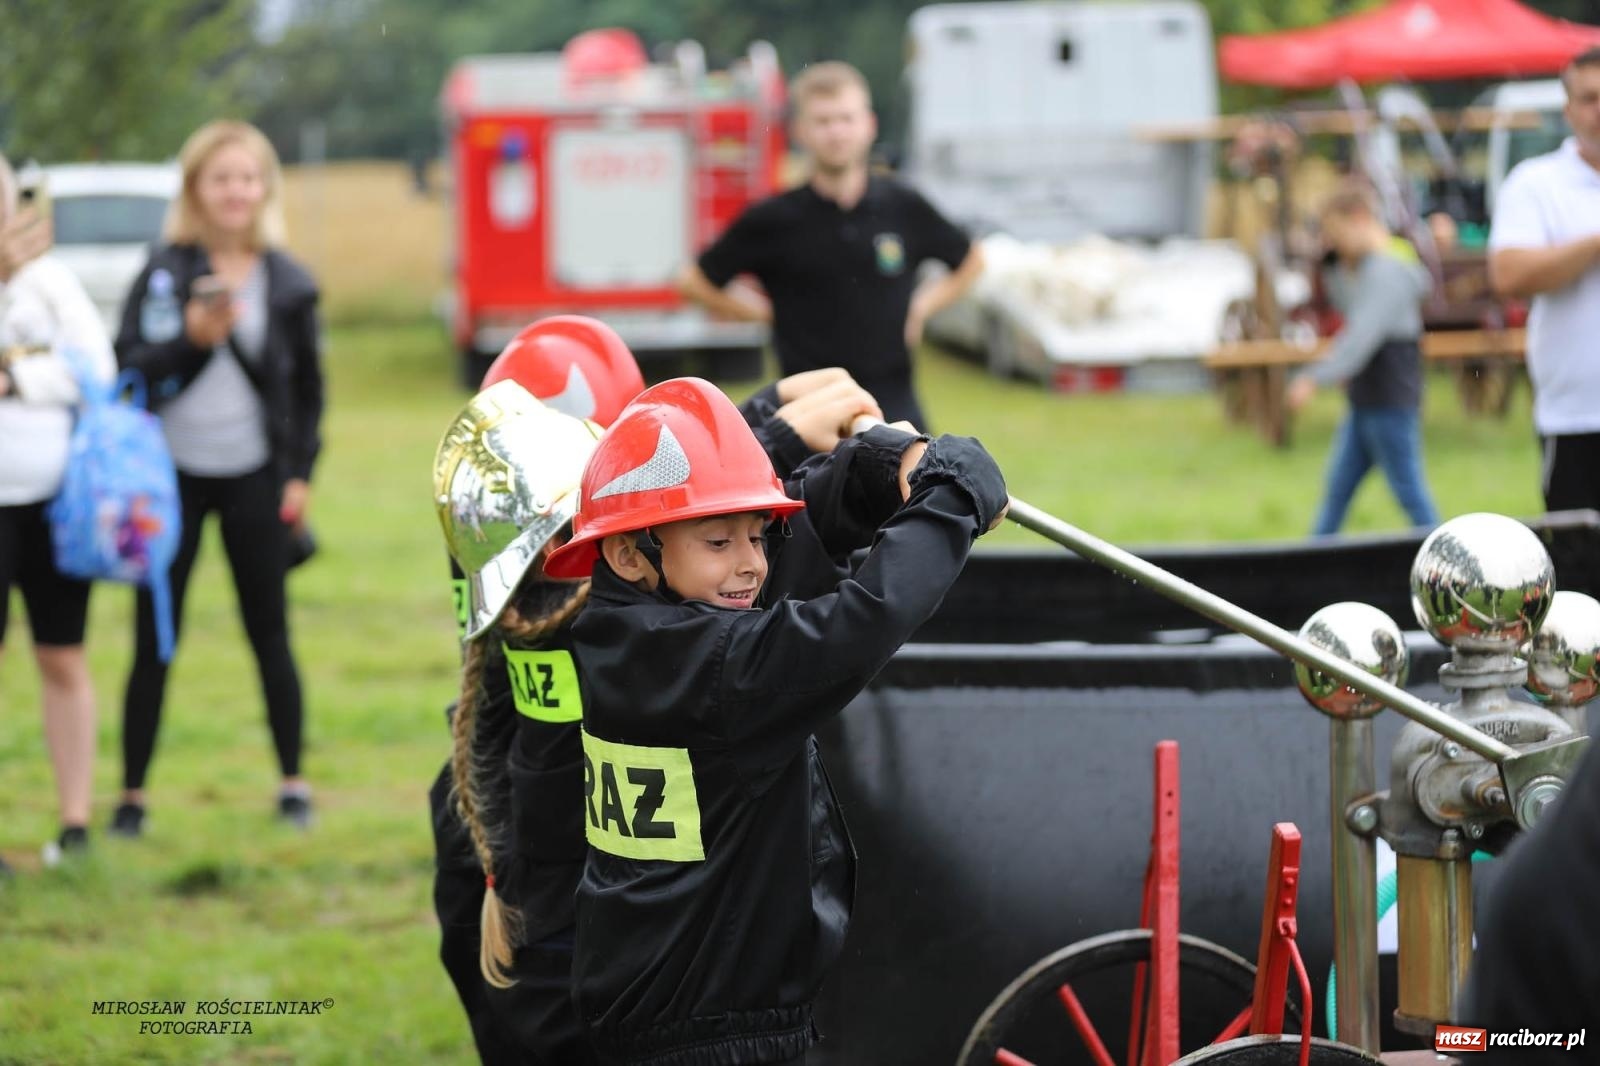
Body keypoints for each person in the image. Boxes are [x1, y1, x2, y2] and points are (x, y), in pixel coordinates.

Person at [428, 316, 883, 1063]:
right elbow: (652, 538)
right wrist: (779, 439)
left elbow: (652, 508)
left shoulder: (490, 504)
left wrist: (758, 413)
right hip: (555, 894)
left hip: (520, 846)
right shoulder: (596, 602)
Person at [542, 377, 1007, 1065]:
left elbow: (780, 538)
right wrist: (951, 498)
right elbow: (860, 623)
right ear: (627, 554)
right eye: (720, 542)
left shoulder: (629, 634)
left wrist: (878, 468)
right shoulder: (717, 667)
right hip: (715, 1033)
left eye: (757, 536)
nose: (751, 564)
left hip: (646, 1008)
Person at [111, 119, 324, 835]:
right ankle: (132, 798)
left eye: (247, 177)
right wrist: (193, 344)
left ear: (264, 186)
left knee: (270, 630)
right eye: (220, 178)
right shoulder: (166, 269)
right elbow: (130, 366)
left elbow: (309, 393)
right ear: (196, 189)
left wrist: (299, 475)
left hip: (256, 478)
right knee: (154, 639)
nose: (236, 191)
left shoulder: (289, 281)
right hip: (168, 481)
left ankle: (293, 785)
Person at [677, 61, 985, 429]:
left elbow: (972, 261)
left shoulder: (903, 205)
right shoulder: (774, 219)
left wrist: (920, 308)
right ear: (800, 131)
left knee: (920, 486)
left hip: (896, 409)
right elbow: (694, 281)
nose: (836, 132)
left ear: (868, 125)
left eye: (846, 118)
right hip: (810, 418)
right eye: (823, 121)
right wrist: (767, 314)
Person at [0, 151, 115, 862]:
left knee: (62, 655)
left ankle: (75, 823)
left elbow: (94, 368)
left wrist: (16, 376)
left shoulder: (51, 281)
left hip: (53, 504)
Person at [1287, 183, 1440, 536]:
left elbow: (1359, 338)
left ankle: (1449, 568)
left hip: (1390, 402)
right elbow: (1347, 306)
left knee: (1411, 495)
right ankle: (1311, 565)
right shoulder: (1366, 268)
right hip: (1365, 402)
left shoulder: (1387, 272)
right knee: (1336, 493)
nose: (1332, 243)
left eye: (1334, 233)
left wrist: (1313, 377)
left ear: (1358, 219)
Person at [1488, 47, 1600, 515]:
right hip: (1578, 418)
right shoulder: (1537, 183)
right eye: (1591, 98)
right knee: (1584, 577)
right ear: (1568, 109)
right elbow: (1508, 274)